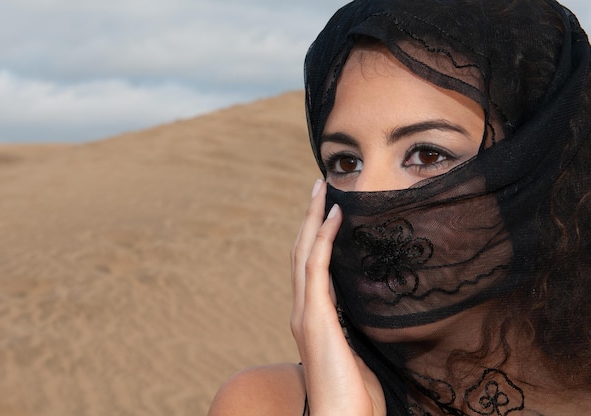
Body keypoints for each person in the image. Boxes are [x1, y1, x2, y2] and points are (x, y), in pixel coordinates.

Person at [208, 0, 591, 414]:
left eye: (427, 156)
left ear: (541, 169)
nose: (368, 198)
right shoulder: (267, 403)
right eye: (345, 162)